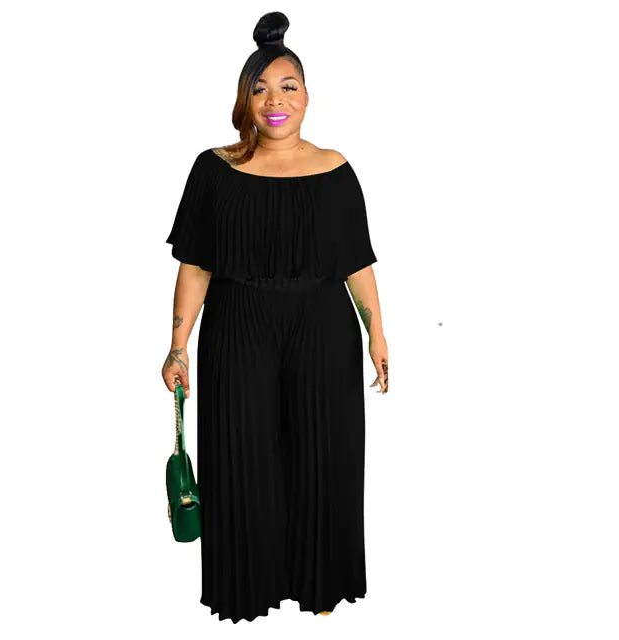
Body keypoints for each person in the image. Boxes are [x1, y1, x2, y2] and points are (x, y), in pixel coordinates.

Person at [162, 11, 389, 624]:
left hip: (323, 328)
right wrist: (178, 346)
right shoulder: (214, 169)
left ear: (307, 96)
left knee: (324, 454)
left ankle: (322, 585)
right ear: (245, 100)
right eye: (260, 89)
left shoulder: (336, 169)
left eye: (288, 86)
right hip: (238, 326)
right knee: (243, 456)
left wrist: (378, 333)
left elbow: (356, 261)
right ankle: (248, 590)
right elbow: (195, 266)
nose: (275, 100)